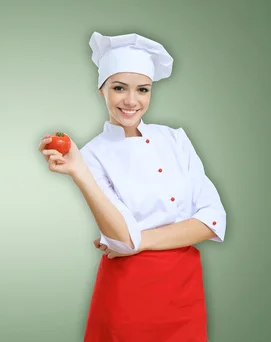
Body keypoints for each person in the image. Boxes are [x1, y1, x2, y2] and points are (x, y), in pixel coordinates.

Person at [38, 31, 227, 341]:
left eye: (142, 89)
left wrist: (136, 240)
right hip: (127, 292)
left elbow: (213, 220)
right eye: (119, 88)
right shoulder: (91, 155)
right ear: (101, 90)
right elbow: (122, 240)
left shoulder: (176, 139)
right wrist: (78, 171)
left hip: (184, 290)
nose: (131, 100)